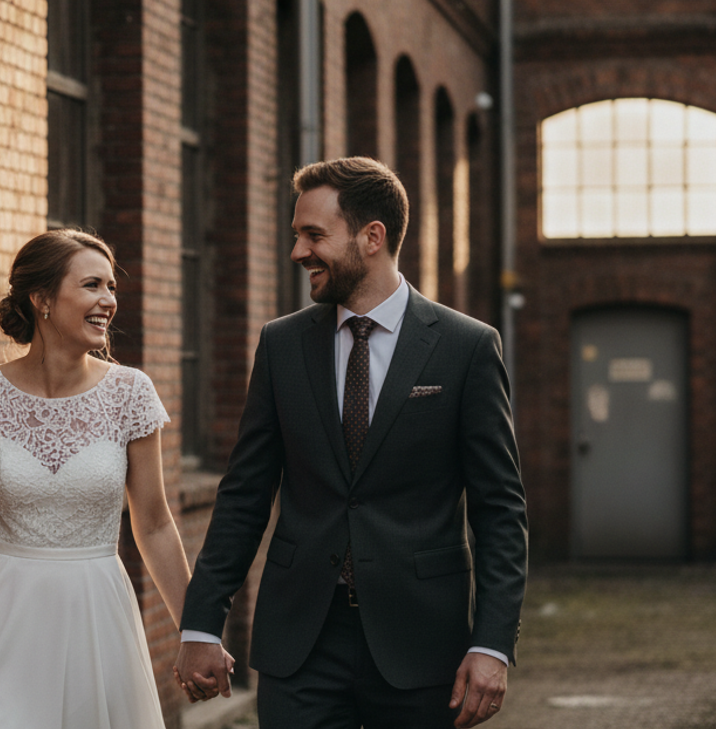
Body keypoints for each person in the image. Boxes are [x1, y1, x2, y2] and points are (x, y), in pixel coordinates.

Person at [175, 157, 527, 729]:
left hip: (421, 638)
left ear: (372, 237)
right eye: (297, 235)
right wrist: (200, 623)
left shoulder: (466, 347)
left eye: (314, 235)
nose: (298, 252)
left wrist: (492, 643)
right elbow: (244, 495)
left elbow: (500, 510)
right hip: (300, 641)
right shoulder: (282, 345)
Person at [0, 228, 232, 728]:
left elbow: (154, 525)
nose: (109, 301)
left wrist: (197, 633)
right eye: (92, 285)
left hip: (96, 618)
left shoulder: (131, 393)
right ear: (42, 299)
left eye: (111, 287)